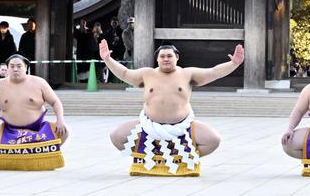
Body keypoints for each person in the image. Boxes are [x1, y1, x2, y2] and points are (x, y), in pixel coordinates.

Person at [103, 40, 244, 176]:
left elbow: (213, 72)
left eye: (169, 56)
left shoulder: (188, 74)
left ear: (176, 57)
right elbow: (125, 73)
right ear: (157, 59)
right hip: (149, 127)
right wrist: (108, 59)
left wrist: (233, 64)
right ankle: (149, 157)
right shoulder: (147, 74)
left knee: (213, 140)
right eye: (162, 56)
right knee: (116, 136)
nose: (166, 59)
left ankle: (183, 157)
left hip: (182, 127)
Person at [0, 53, 68, 170]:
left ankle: (37, 154)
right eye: (12, 66)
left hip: (37, 129)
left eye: (19, 66)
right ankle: (12, 154)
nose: (15, 69)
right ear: (8, 68)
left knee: (64, 132)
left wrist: (60, 120)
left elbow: (56, 102)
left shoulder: (39, 82)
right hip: (9, 129)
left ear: (26, 67)